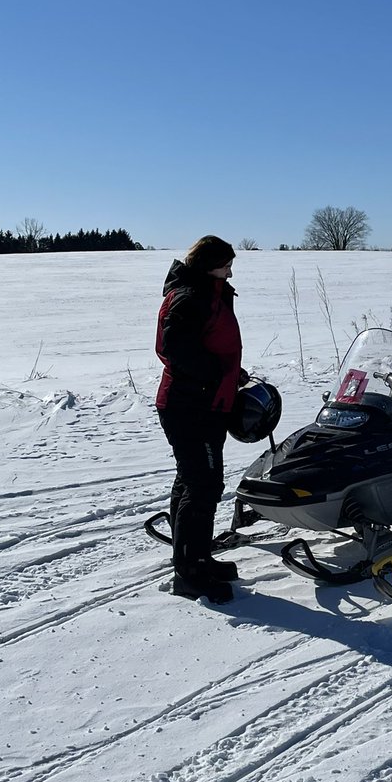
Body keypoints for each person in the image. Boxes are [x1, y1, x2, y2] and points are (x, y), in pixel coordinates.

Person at [155, 235, 248, 604]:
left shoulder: (207, 291)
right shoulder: (190, 296)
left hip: (205, 401)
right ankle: (190, 572)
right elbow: (171, 348)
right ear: (208, 264)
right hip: (191, 405)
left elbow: (210, 343)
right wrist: (214, 374)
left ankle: (194, 557)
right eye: (225, 264)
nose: (230, 270)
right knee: (203, 485)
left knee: (194, 480)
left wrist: (231, 374)